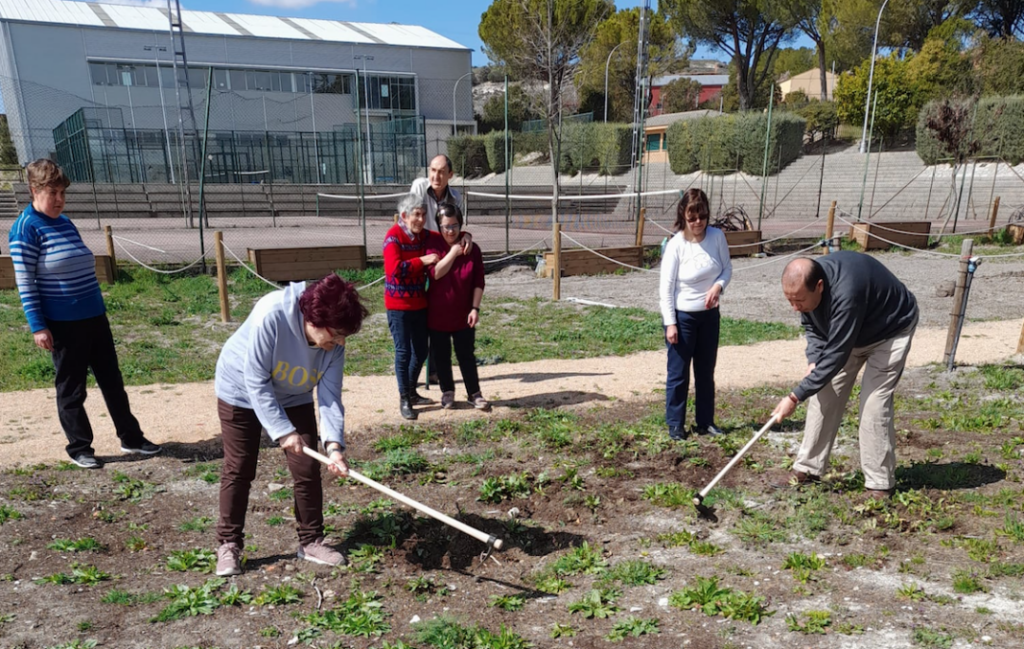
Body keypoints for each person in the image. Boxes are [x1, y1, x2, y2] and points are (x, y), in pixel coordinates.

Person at [8, 159, 160, 469]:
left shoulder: (64, 222)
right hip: (63, 324)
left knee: (112, 381)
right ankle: (80, 447)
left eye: (63, 193)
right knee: (71, 388)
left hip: (94, 316)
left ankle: (130, 437)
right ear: (33, 190)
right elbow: (25, 282)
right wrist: (38, 326)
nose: (60, 200)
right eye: (53, 193)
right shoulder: (25, 229)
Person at [213, 274, 367, 576]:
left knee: (307, 467)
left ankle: (311, 541)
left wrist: (334, 447)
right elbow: (255, 381)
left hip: (293, 393)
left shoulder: (334, 343)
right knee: (240, 466)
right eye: (335, 334)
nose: (339, 342)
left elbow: (329, 396)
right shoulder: (272, 315)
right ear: (314, 319)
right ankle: (229, 544)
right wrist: (283, 431)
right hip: (240, 390)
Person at [770, 252, 919, 499]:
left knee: (873, 405)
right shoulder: (806, 290)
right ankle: (808, 468)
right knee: (824, 393)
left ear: (819, 286)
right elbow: (814, 327)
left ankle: (880, 483)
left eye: (799, 300)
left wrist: (794, 397)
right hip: (851, 333)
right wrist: (814, 360)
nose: (795, 307)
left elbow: (838, 353)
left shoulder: (847, 292)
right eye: (789, 300)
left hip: (890, 331)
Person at [659, 188, 732, 441]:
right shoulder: (675, 245)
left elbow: (726, 268)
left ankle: (705, 421)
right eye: (692, 218)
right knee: (678, 374)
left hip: (709, 317)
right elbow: (666, 288)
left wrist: (718, 286)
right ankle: (676, 424)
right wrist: (671, 323)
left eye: (702, 216)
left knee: (705, 371)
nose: (698, 222)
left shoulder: (717, 237)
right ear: (684, 216)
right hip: (683, 317)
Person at [425, 203, 489, 411]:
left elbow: (479, 281)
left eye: (454, 226)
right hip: (438, 313)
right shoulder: (433, 245)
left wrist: (475, 308)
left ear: (460, 225)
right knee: (442, 356)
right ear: (439, 226)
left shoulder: (472, 248)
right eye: (445, 226)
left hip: (463, 313)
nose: (450, 231)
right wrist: (453, 253)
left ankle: (474, 393)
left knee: (466, 354)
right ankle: (447, 392)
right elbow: (435, 273)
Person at [384, 194, 442, 420]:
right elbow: (394, 270)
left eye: (423, 214)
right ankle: (404, 398)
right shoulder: (393, 237)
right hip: (398, 306)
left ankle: (411, 392)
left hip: (419, 302)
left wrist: (461, 235)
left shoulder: (422, 237)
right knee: (403, 351)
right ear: (405, 216)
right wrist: (423, 261)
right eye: (417, 215)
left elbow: (443, 236)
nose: (421, 219)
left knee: (421, 350)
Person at [410, 154, 464, 232]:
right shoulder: (419, 187)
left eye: (441, 172)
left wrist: (465, 235)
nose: (436, 177)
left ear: (450, 175)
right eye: (433, 170)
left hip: (443, 243)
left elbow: (456, 229)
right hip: (421, 242)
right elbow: (411, 222)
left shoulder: (456, 198)